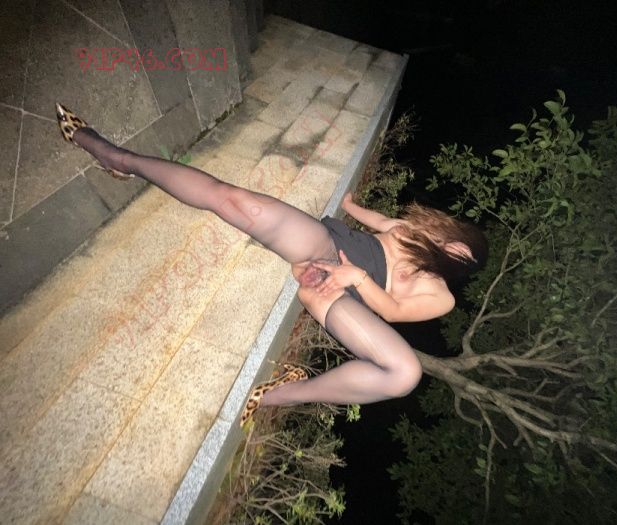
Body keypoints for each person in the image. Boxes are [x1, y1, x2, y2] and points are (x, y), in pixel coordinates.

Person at [55, 103, 488, 427]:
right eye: (460, 243)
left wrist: (354, 277)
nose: (453, 250)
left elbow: (391, 311)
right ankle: (118, 158)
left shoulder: (440, 296)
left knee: (406, 374)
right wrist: (350, 204)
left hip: (341, 295)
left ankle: (282, 395)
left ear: (461, 269)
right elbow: (376, 220)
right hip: (331, 246)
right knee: (235, 200)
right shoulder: (415, 232)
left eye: (462, 258)